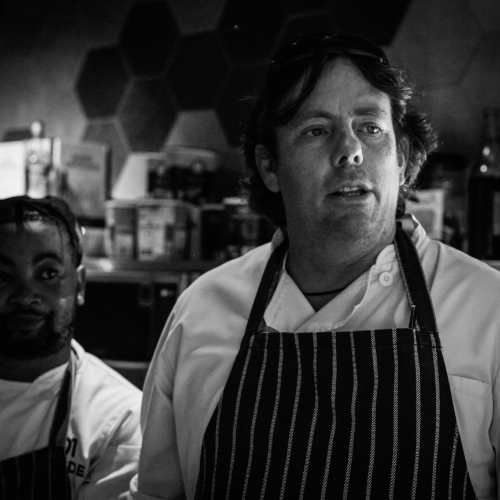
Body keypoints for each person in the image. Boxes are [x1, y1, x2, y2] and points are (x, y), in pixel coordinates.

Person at [129, 33, 500, 499]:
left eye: (371, 127)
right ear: (270, 167)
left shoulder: (488, 309)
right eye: (316, 130)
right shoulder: (201, 311)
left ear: (403, 159)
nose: (350, 150)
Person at [0, 195, 142, 499]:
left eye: (48, 274)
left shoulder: (121, 419)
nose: (25, 296)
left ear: (79, 285)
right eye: (2, 277)